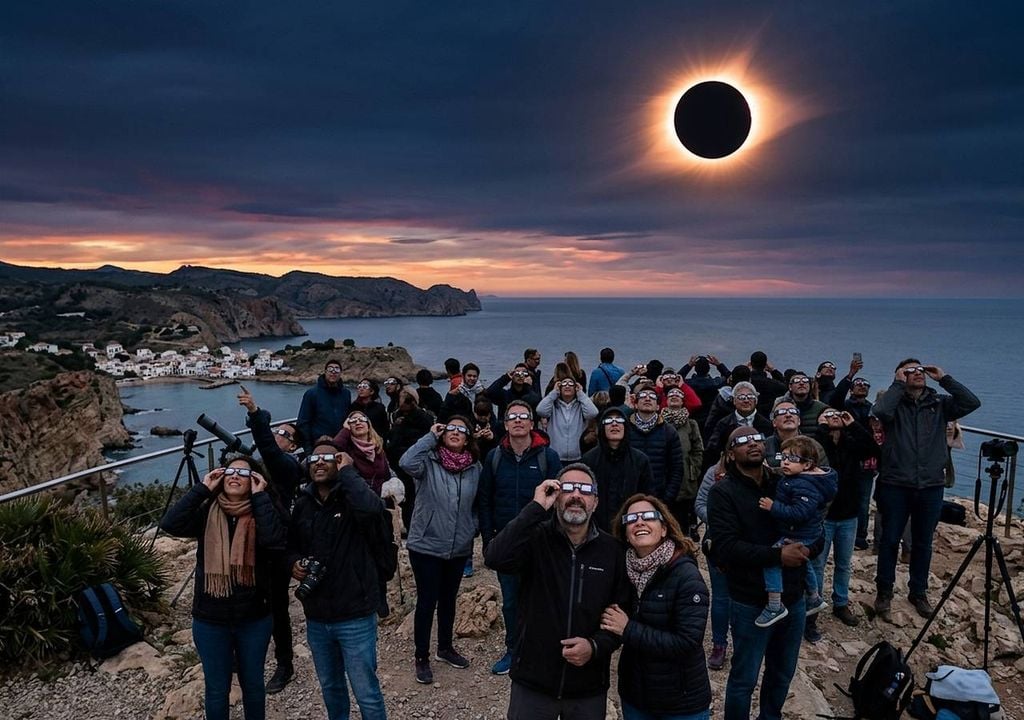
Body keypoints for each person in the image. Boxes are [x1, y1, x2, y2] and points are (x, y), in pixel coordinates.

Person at [484, 464, 630, 720]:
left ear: (595, 502)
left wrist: (594, 646)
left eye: (585, 490)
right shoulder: (534, 539)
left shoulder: (613, 551)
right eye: (567, 488)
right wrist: (536, 507)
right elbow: (495, 557)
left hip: (588, 686)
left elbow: (621, 616)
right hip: (533, 683)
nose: (576, 495)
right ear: (555, 496)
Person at [160, 454, 288, 720]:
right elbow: (170, 523)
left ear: (255, 480)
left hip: (254, 618)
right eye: (229, 472)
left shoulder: (266, 510)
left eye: (243, 474)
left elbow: (275, 542)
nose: (234, 477)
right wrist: (202, 488)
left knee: (253, 685)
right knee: (217, 689)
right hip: (210, 618)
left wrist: (260, 497)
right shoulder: (208, 511)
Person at [707, 427, 817, 720]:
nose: (752, 443)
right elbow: (727, 547)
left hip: (794, 597)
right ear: (731, 454)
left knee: (782, 674)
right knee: (744, 678)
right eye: (741, 441)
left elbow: (811, 521)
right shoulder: (723, 492)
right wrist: (778, 555)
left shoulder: (786, 482)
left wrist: (811, 548)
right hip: (750, 600)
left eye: (756, 438)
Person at [287, 439, 389, 720]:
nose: (319, 462)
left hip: (355, 613)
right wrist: (293, 564)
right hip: (317, 614)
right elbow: (291, 545)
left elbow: (373, 510)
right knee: (331, 687)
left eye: (328, 458)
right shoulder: (303, 503)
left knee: (366, 691)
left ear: (340, 462)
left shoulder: (354, 495)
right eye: (313, 458)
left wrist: (349, 472)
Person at [872, 359, 980, 621]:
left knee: (923, 542)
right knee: (889, 541)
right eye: (910, 371)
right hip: (895, 482)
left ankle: (918, 591)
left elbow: (971, 402)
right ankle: (884, 591)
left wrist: (944, 378)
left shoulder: (939, 403)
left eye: (920, 370)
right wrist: (897, 385)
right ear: (900, 375)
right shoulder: (892, 402)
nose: (918, 374)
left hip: (930, 484)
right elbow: (881, 413)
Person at [601, 495, 712, 720]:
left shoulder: (686, 576)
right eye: (631, 518)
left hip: (681, 702)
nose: (639, 521)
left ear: (664, 529)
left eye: (649, 516)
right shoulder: (623, 572)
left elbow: (688, 643)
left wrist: (628, 629)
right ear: (625, 533)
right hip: (636, 697)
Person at [478, 399, 562, 674]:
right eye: (512, 416)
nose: (518, 420)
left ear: (532, 422)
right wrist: (489, 539)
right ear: (504, 423)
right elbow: (485, 500)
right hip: (506, 542)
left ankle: (544, 649)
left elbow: (558, 502)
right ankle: (514, 650)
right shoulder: (494, 457)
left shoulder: (548, 457)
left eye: (523, 416)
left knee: (543, 598)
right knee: (511, 601)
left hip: (541, 541)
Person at [400, 417, 482, 684]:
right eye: (451, 428)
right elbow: (404, 462)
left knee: (449, 599)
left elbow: (478, 502)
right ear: (442, 433)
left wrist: (473, 526)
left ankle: (445, 648)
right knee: (427, 601)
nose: (456, 432)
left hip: (458, 546)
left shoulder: (475, 467)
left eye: (462, 430)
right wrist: (429, 436)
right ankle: (421, 657)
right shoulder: (427, 461)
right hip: (426, 544)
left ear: (468, 438)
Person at [238, 386, 303, 694]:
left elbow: (268, 448)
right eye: (277, 430)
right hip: (252, 539)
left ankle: (284, 663)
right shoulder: (267, 463)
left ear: (293, 446)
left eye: (285, 434)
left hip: (275, 544)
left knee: (277, 605)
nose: (279, 435)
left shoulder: (287, 465)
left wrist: (254, 413)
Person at [803, 409, 877, 642]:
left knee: (844, 564)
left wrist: (853, 424)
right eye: (828, 414)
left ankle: (841, 602)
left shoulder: (852, 443)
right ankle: (813, 608)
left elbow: (873, 450)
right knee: (817, 564)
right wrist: (823, 427)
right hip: (823, 514)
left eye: (837, 414)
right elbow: (814, 451)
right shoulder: (819, 442)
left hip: (848, 513)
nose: (834, 417)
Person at [755, 435, 837, 628]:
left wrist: (773, 507)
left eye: (791, 459)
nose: (785, 462)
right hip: (803, 533)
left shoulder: (805, 485)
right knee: (804, 561)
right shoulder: (798, 477)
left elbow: (800, 513)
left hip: (800, 533)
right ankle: (814, 596)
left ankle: (775, 604)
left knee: (773, 560)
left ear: (808, 464)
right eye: (783, 457)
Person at [582, 406, 654, 532]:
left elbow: (648, 495)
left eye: (619, 420)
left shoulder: (640, 460)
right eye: (608, 421)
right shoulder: (589, 459)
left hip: (630, 525)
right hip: (596, 528)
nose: (614, 424)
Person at [694, 456, 731, 671]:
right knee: (721, 596)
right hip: (718, 542)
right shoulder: (715, 472)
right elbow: (699, 504)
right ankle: (719, 644)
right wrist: (721, 519)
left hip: (749, 544)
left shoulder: (762, 473)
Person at [385, 388, 435, 531]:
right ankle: (409, 525)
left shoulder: (422, 418)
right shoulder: (398, 416)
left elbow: (424, 439)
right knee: (406, 497)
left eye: (401, 399)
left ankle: (416, 526)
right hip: (398, 461)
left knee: (414, 496)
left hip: (413, 462)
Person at [625, 385, 685, 504]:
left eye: (652, 397)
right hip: (628, 495)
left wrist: (668, 497)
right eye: (642, 396)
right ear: (636, 404)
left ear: (658, 406)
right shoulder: (625, 429)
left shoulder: (669, 431)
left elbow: (677, 468)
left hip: (659, 495)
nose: (647, 399)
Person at [661, 389, 704, 538]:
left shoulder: (691, 423)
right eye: (671, 395)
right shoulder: (659, 422)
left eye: (678, 395)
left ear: (683, 401)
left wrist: (694, 468)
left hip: (687, 473)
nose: (674, 397)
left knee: (685, 510)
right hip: (665, 472)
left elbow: (698, 448)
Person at [705, 381, 772, 469]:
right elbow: (712, 450)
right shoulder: (724, 423)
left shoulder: (766, 424)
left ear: (756, 401)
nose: (746, 400)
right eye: (741, 397)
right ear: (734, 401)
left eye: (750, 397)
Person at [536, 376, 599, 463]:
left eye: (571, 384)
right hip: (556, 456)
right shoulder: (553, 406)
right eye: (564, 384)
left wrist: (581, 394)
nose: (567, 386)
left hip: (578, 456)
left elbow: (593, 413)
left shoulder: (581, 406)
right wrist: (554, 393)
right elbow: (540, 411)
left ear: (575, 388)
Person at [297, 359, 352, 451]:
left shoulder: (346, 394)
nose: (333, 372)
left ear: (340, 373)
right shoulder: (311, 393)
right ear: (325, 372)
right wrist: (308, 447)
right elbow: (303, 422)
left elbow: (347, 418)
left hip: (341, 443)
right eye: (330, 369)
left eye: (337, 369)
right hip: (319, 443)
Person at [333, 410, 392, 495]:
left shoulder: (378, 447)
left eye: (361, 419)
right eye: (353, 421)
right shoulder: (347, 448)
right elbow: (333, 447)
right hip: (358, 497)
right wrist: (345, 430)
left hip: (381, 499)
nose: (357, 422)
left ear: (368, 426)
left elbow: (387, 475)